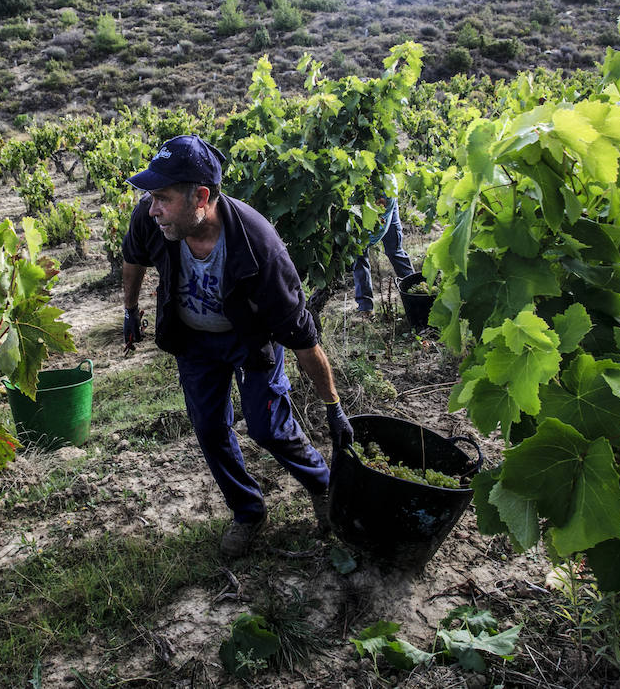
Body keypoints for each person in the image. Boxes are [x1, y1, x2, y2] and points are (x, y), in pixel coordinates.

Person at [120, 135, 354, 558]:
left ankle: (323, 485)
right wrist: (130, 309)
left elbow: (303, 340)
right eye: (151, 197)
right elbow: (133, 257)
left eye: (162, 197)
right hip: (193, 340)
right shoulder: (153, 220)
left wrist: (333, 407)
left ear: (201, 197)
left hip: (249, 341)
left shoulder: (259, 246)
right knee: (209, 428)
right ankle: (248, 511)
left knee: (268, 428)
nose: (152, 208)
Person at [351, 194, 415, 315]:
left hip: (385, 195)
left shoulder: (385, 192)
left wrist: (358, 243)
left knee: (393, 251)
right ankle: (365, 308)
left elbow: (375, 232)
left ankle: (416, 294)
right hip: (362, 199)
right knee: (359, 253)